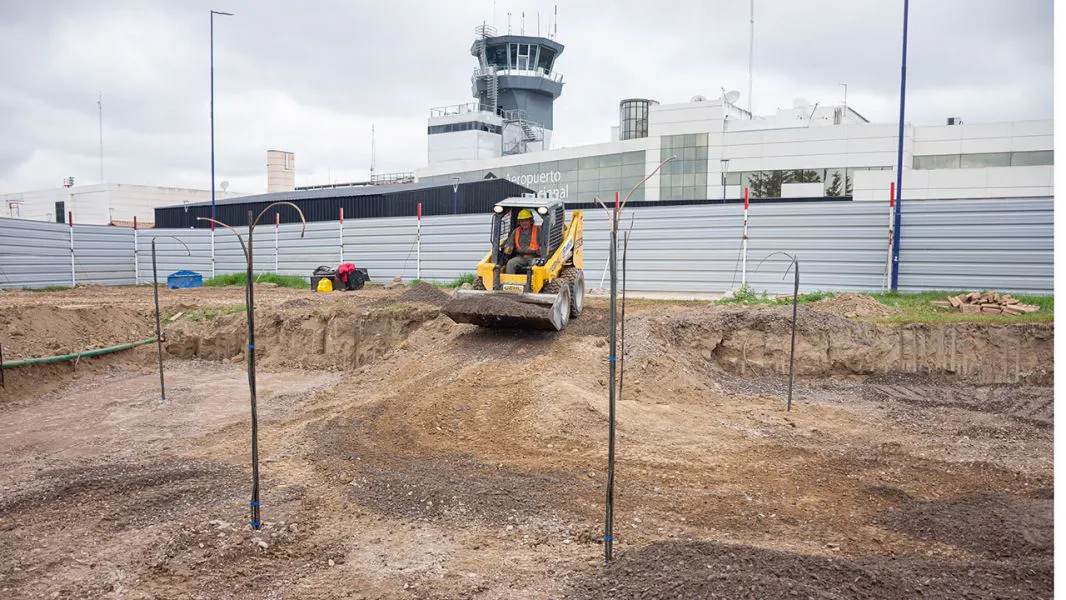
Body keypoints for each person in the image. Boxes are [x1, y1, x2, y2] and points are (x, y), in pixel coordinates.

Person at [504, 209, 540, 274]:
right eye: (521, 221)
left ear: (531, 220)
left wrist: (541, 250)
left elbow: (545, 245)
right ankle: (510, 283)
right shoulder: (516, 232)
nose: (524, 223)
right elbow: (509, 245)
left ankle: (535, 283)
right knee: (510, 263)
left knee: (536, 265)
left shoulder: (538, 230)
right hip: (520, 257)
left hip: (534, 257)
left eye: (526, 220)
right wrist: (507, 250)